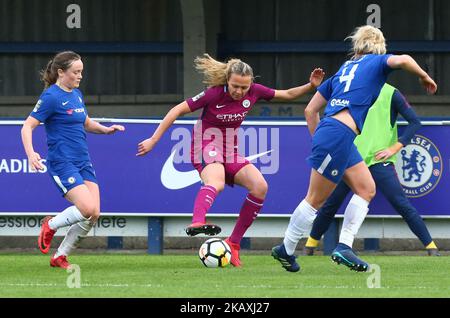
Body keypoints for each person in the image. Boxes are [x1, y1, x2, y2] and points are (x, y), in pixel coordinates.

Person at [271, 25, 437, 273]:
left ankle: (344, 246)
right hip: (338, 136)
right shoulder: (378, 62)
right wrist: (424, 75)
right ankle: (286, 248)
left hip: (338, 136)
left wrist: (321, 139)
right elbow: (404, 59)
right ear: (380, 46)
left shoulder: (343, 70)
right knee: (315, 199)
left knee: (366, 189)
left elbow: (310, 110)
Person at [137, 53, 324, 267]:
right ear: (228, 81)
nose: (239, 91)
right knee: (216, 183)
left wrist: (310, 85)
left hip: (229, 151)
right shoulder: (213, 94)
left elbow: (289, 94)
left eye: (244, 87)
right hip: (204, 146)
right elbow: (177, 110)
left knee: (260, 187)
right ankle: (198, 221)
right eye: (235, 86)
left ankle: (233, 244)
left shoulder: (254, 92)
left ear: (250, 84)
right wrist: (153, 139)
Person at [303, 83, 440, 260]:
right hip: (350, 159)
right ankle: (310, 246)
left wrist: (394, 148)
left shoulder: (391, 93)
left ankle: (431, 247)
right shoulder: (350, 89)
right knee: (330, 204)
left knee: (401, 204)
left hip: (378, 161)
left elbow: (415, 122)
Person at [21, 51, 125, 269]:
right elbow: (27, 126)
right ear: (61, 72)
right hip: (62, 161)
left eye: (81, 72)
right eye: (76, 72)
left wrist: (106, 130)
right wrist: (31, 153)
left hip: (83, 160)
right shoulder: (50, 97)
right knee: (86, 208)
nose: (80, 76)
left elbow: (86, 122)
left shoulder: (76, 94)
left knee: (94, 213)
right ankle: (51, 224)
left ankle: (60, 256)